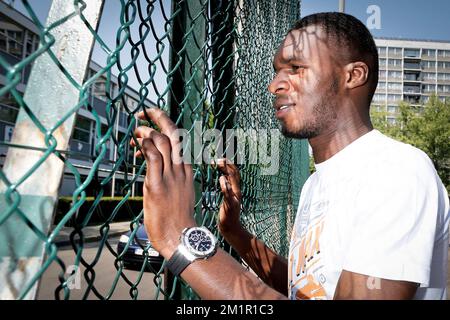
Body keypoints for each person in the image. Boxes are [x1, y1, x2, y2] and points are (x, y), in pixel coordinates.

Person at [131, 12, 449, 300]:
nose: (274, 85)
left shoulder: (397, 170)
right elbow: (305, 289)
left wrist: (180, 237)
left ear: (353, 76)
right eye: (277, 72)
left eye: (295, 68)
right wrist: (235, 233)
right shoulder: (314, 184)